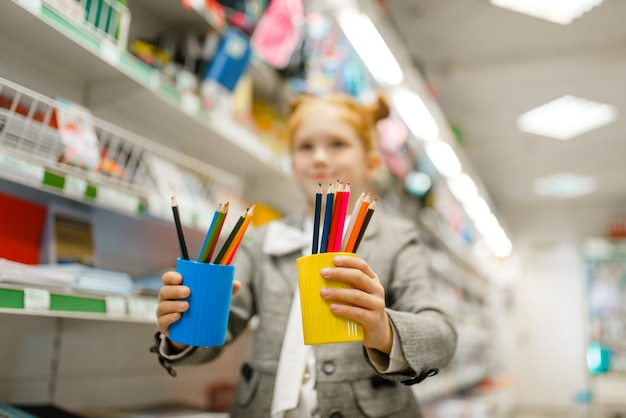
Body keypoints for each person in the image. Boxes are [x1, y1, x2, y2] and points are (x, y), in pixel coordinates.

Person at [153, 91, 457, 417]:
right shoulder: (264, 240)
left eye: (338, 144)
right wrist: (183, 329)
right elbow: (218, 331)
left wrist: (384, 330)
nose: (320, 158)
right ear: (292, 160)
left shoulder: (396, 240)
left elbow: (441, 336)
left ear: (371, 162)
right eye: (305, 147)